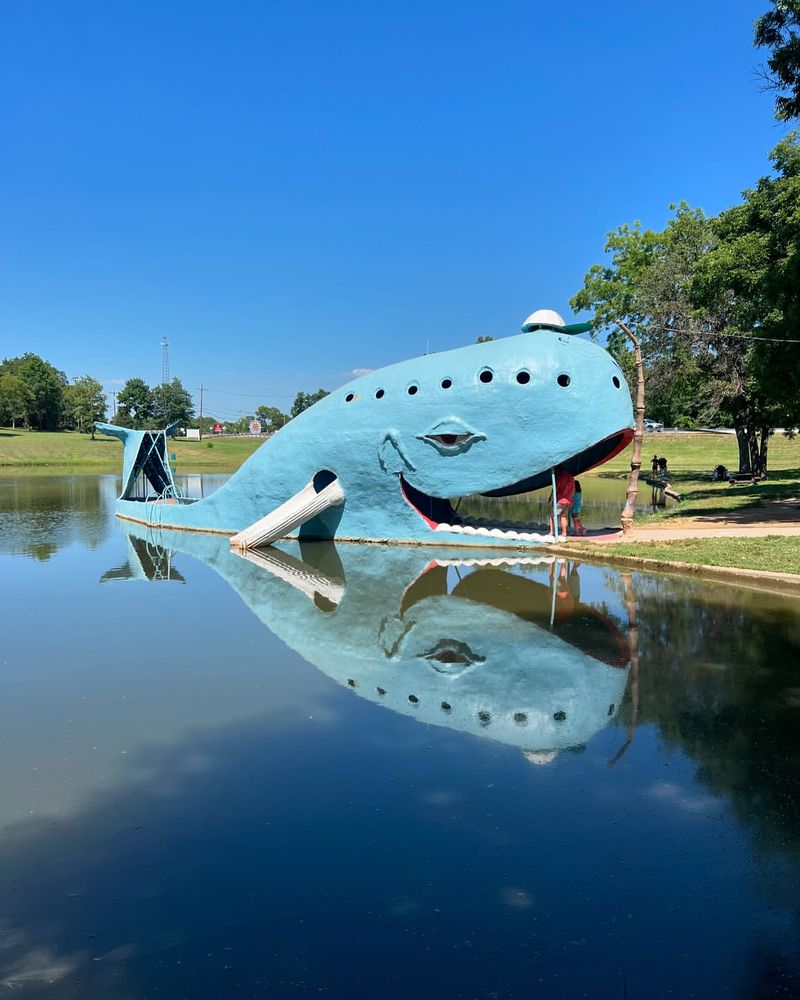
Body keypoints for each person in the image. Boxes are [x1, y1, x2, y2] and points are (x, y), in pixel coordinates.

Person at [548, 466, 575, 539]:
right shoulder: (571, 477)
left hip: (561, 500)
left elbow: (555, 488)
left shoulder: (560, 477)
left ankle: (551, 532)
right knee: (563, 516)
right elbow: (574, 488)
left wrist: (551, 498)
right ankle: (564, 533)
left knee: (552, 516)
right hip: (569, 500)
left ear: (557, 470)